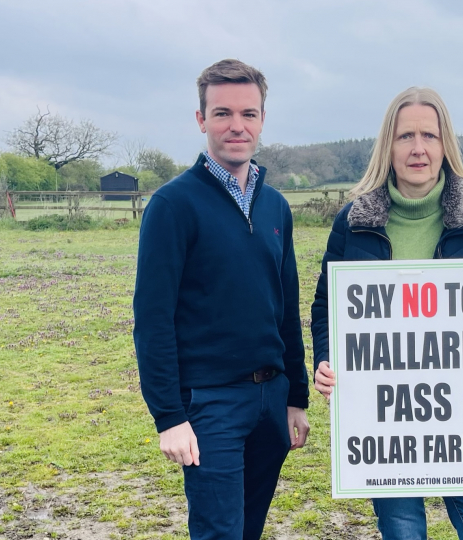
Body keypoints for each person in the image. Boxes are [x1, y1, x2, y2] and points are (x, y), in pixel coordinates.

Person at [311, 87, 463, 540]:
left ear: (446, 145)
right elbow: (329, 305)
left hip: (461, 411)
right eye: (406, 136)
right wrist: (325, 362)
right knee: (403, 530)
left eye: (430, 135)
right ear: (389, 144)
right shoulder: (354, 221)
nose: (418, 149)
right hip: (381, 416)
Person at [132, 59, 310, 540]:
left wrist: (295, 396)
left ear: (262, 120)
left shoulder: (275, 206)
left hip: (271, 401)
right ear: (201, 119)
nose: (237, 125)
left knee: (248, 529)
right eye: (223, 113)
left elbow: (285, 307)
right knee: (219, 532)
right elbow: (152, 320)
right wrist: (169, 417)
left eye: (249, 114)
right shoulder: (173, 205)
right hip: (210, 405)